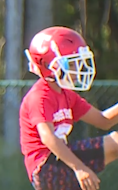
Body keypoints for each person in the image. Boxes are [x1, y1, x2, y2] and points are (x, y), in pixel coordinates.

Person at [19, 26, 118, 190]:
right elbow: (48, 138)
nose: (77, 70)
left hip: (61, 159)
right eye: (72, 64)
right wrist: (79, 167)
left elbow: (103, 120)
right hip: (46, 165)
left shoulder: (66, 94)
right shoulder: (40, 96)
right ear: (50, 66)